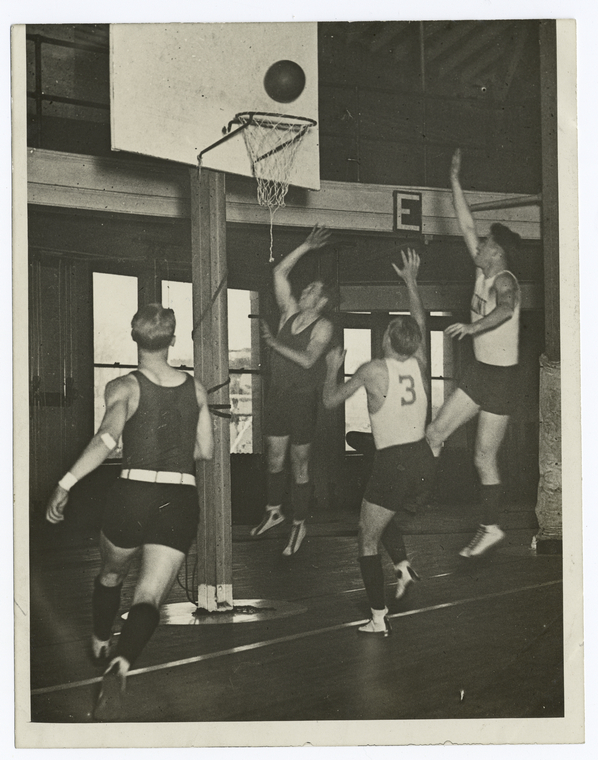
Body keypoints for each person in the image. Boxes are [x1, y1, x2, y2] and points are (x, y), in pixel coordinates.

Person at [46, 304, 214, 721]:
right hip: (179, 497)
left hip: (133, 493)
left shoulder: (124, 385)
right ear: (172, 339)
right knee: (150, 597)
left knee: (110, 574)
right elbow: (205, 451)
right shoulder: (196, 389)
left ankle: (101, 639)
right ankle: (121, 663)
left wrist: (66, 483)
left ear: (134, 337)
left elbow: (107, 438)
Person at [323, 249, 435, 635]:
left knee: (365, 537)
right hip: (423, 458)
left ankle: (377, 617)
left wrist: (330, 370)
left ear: (388, 337)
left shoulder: (373, 370)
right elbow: (419, 319)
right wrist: (411, 282)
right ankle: (402, 566)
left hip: (395, 461)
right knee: (383, 518)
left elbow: (329, 400)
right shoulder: (419, 363)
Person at [425, 148, 522, 559]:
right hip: (479, 372)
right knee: (434, 434)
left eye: (484, 243)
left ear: (496, 252)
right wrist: (454, 181)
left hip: (500, 380)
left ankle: (491, 526)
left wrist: (472, 326)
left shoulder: (505, 280)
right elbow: (465, 223)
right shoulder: (482, 269)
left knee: (485, 457)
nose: (478, 244)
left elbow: (505, 310)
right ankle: (407, 495)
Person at [251, 224, 334, 556]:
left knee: (299, 463)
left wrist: (273, 343)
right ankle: (274, 511)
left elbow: (307, 359)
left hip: (302, 401)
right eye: (307, 286)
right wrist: (305, 246)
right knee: (274, 459)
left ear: (323, 300)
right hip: (278, 397)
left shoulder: (323, 326)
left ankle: (300, 522)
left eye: (313, 288)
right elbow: (280, 271)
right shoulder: (289, 312)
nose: (305, 290)